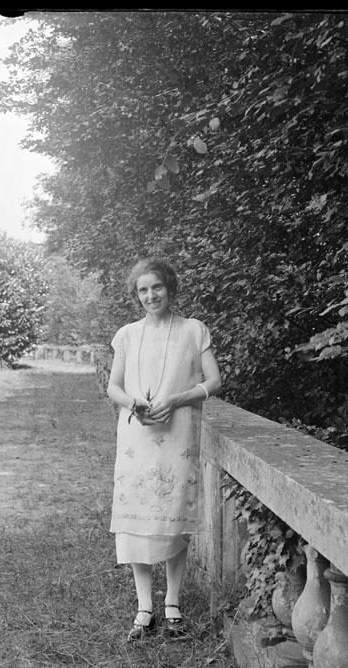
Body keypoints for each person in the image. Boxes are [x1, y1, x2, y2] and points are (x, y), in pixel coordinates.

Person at [107, 258, 221, 641]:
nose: (150, 295)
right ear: (136, 295)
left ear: (170, 288)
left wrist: (177, 399)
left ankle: (172, 605)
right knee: (136, 526)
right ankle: (144, 609)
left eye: (156, 287)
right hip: (137, 437)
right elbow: (113, 387)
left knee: (173, 521)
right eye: (143, 290)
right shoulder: (126, 335)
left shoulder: (193, 330)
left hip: (178, 437)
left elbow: (215, 380)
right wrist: (134, 403)